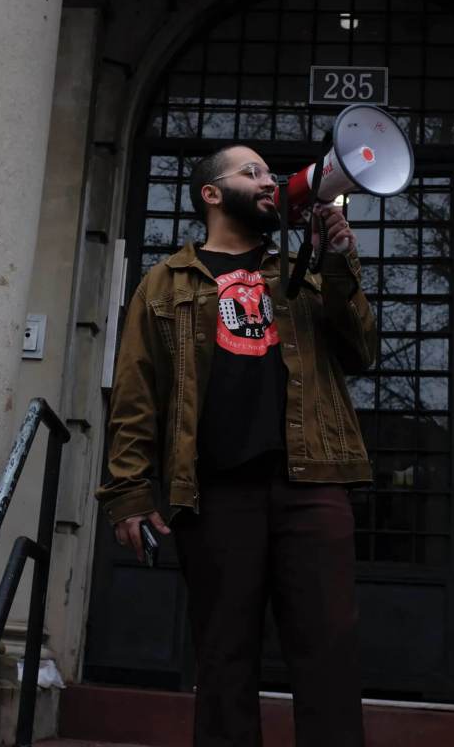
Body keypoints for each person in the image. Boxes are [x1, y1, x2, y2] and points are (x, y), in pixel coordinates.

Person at [99, 143, 377, 745]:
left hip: (313, 484)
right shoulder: (165, 281)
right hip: (217, 493)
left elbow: (361, 351)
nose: (268, 180)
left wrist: (338, 259)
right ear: (212, 194)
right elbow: (136, 393)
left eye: (270, 172)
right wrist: (127, 491)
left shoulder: (299, 269)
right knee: (224, 659)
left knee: (330, 657)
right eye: (251, 172)